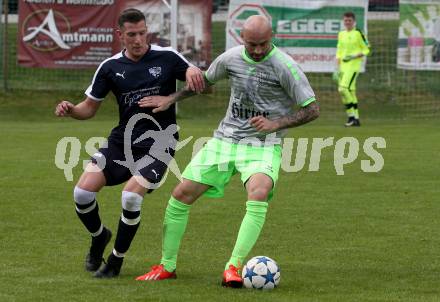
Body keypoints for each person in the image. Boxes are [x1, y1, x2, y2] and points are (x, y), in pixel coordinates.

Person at [134, 15, 320, 287]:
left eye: (263, 44)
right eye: (251, 44)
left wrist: (275, 124)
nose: (257, 50)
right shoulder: (230, 58)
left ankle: (233, 267)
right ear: (241, 39)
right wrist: (171, 98)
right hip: (225, 141)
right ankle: (167, 266)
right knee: (180, 195)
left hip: (263, 145)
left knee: (259, 191)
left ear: (272, 38)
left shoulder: (285, 67)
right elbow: (204, 84)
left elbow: (312, 109)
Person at [54, 8, 204, 279]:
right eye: (132, 34)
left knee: (131, 196)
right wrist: (70, 109)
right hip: (121, 142)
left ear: (148, 31)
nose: (138, 40)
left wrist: (172, 97)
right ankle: (99, 237)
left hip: (160, 142)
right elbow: (88, 108)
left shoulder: (167, 57)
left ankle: (115, 260)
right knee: (82, 193)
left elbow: (202, 84)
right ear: (120, 35)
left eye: (142, 33)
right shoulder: (110, 67)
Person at [333, 11, 370, 127]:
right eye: (345, 21)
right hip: (343, 67)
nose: (347, 22)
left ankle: (351, 117)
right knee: (350, 92)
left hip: (353, 66)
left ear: (354, 22)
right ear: (343, 22)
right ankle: (356, 119)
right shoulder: (341, 34)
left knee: (343, 89)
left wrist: (355, 55)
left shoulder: (359, 33)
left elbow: (367, 48)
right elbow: (339, 51)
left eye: (349, 21)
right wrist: (337, 68)